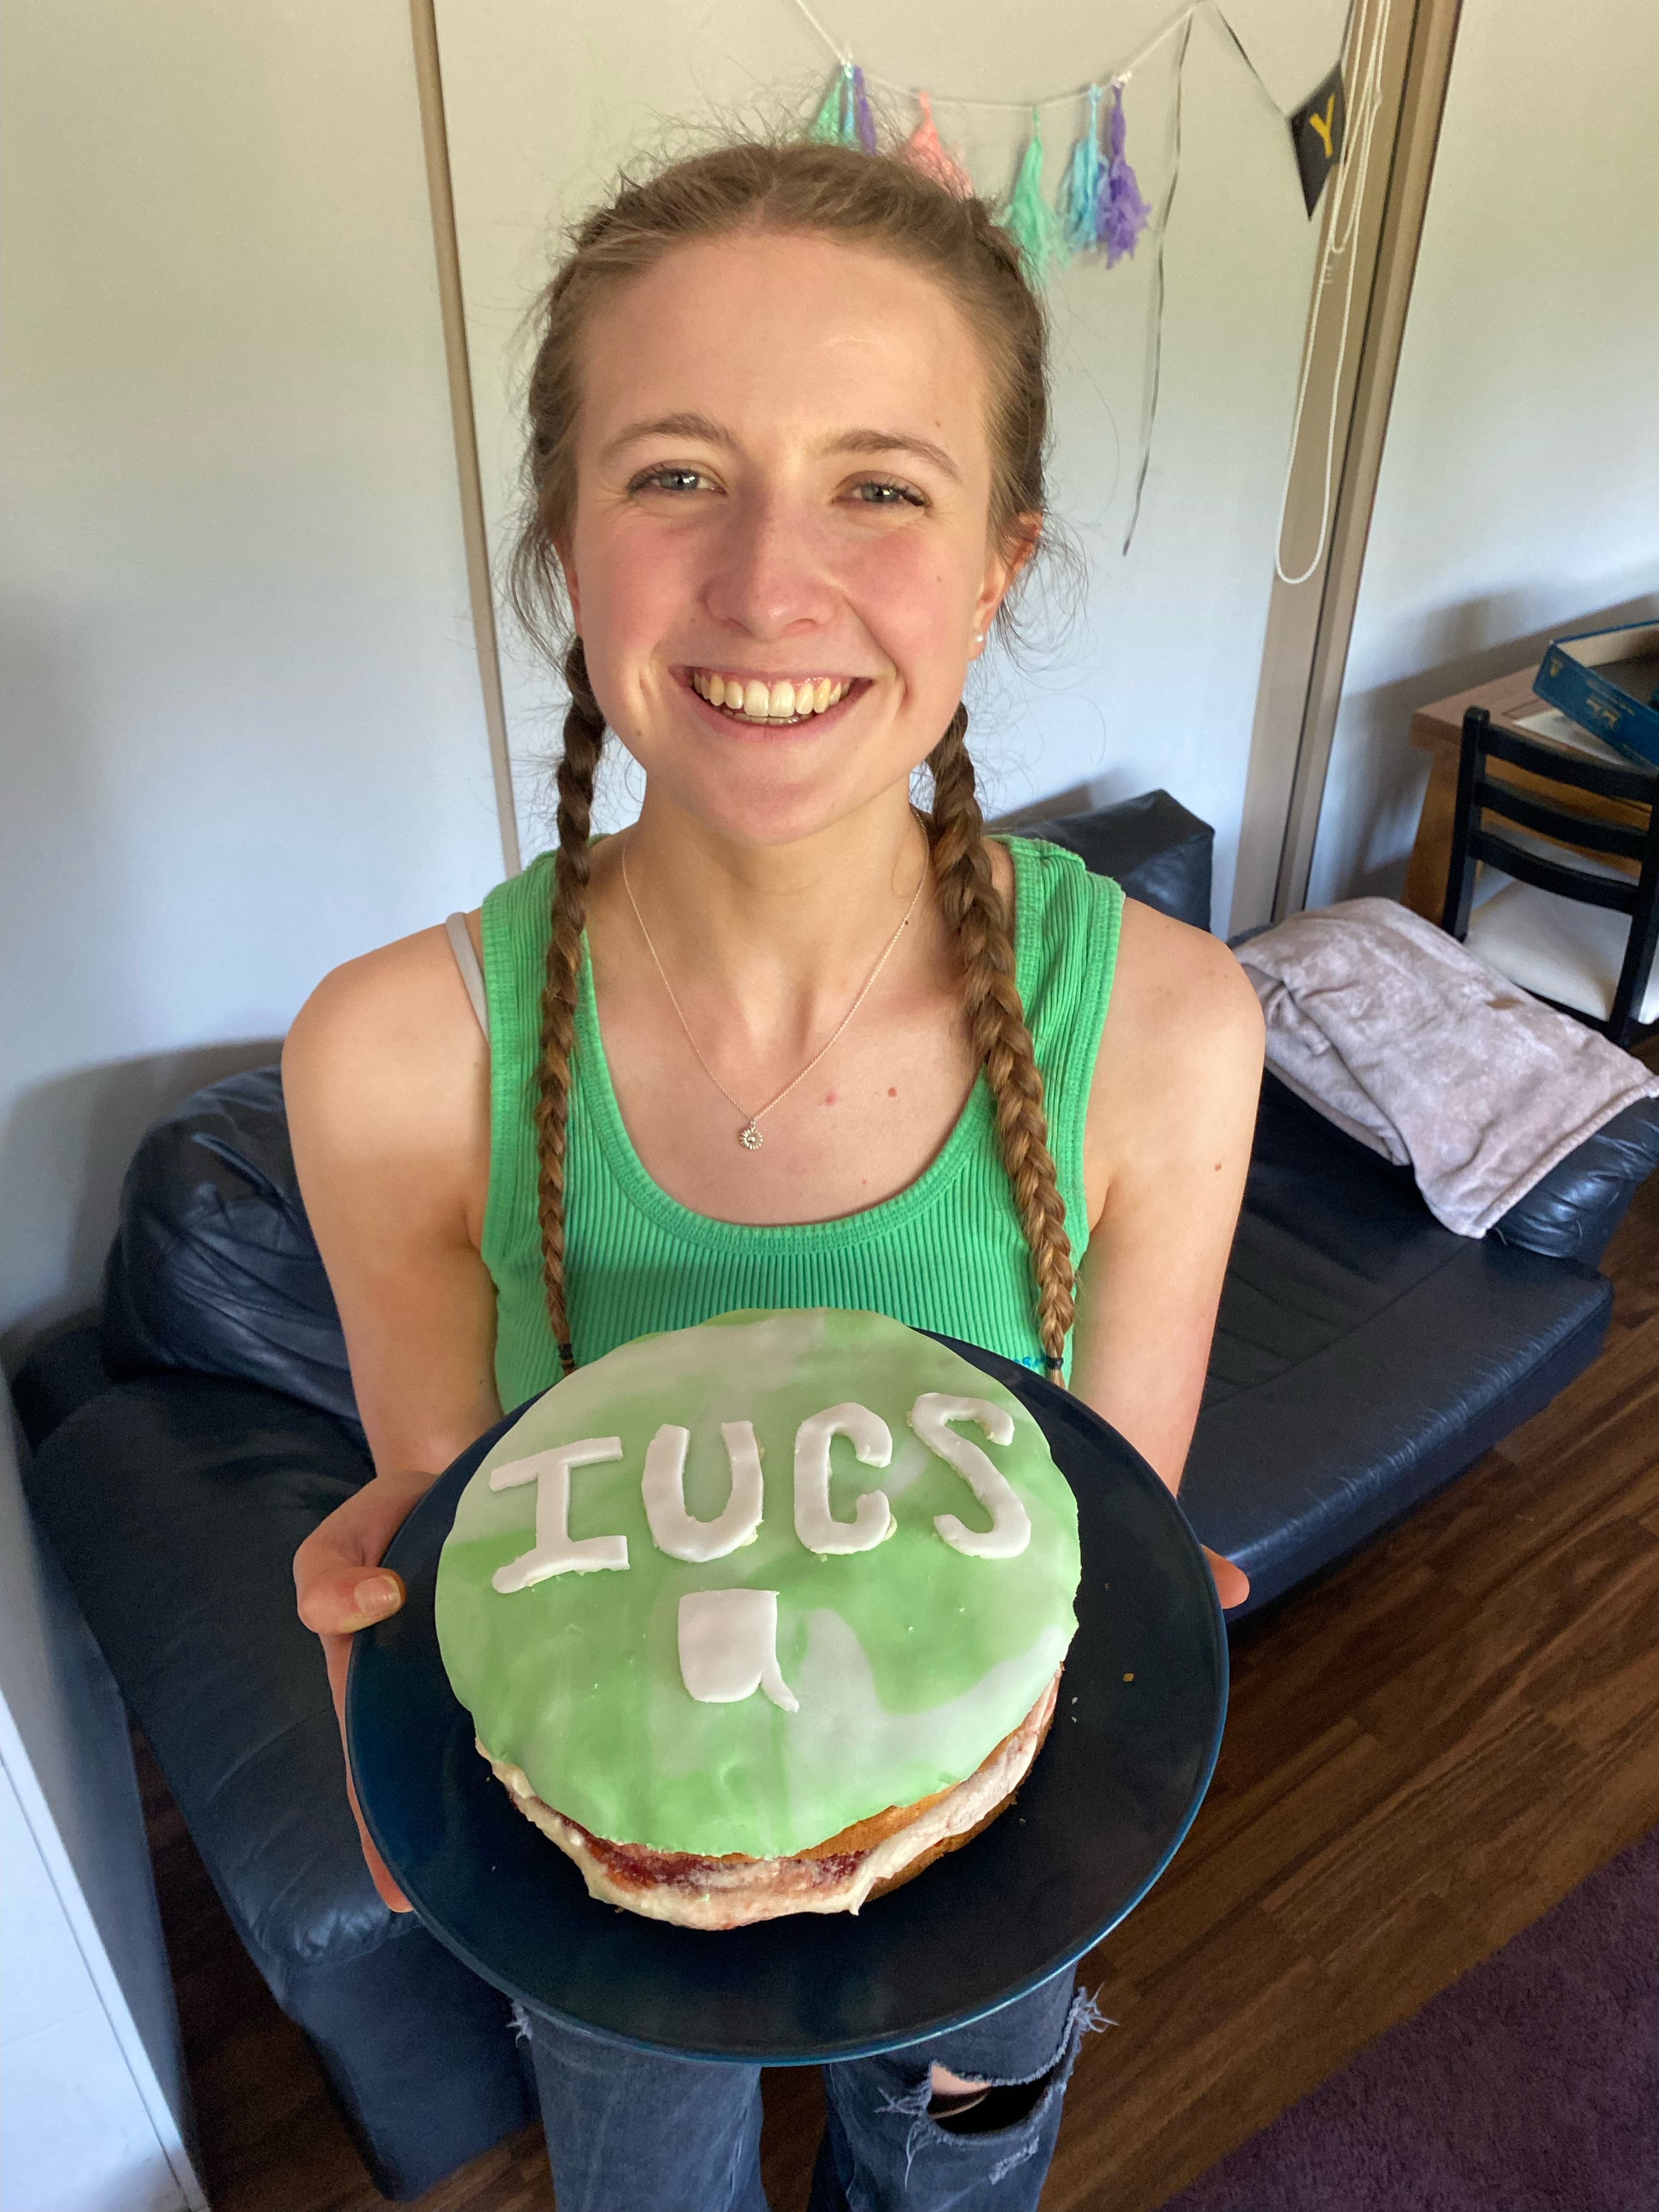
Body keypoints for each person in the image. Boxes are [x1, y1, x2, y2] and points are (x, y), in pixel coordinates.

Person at [286, 136, 1263, 2212]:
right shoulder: (391, 1059)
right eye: (675, 474)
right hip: (617, 1906)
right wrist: (389, 1648)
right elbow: (471, 1573)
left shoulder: (1171, 1031)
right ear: (565, 539)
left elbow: (1090, 1569)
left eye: (880, 487)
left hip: (996, 1882)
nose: (764, 585)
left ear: (997, 563)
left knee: (954, 2183)